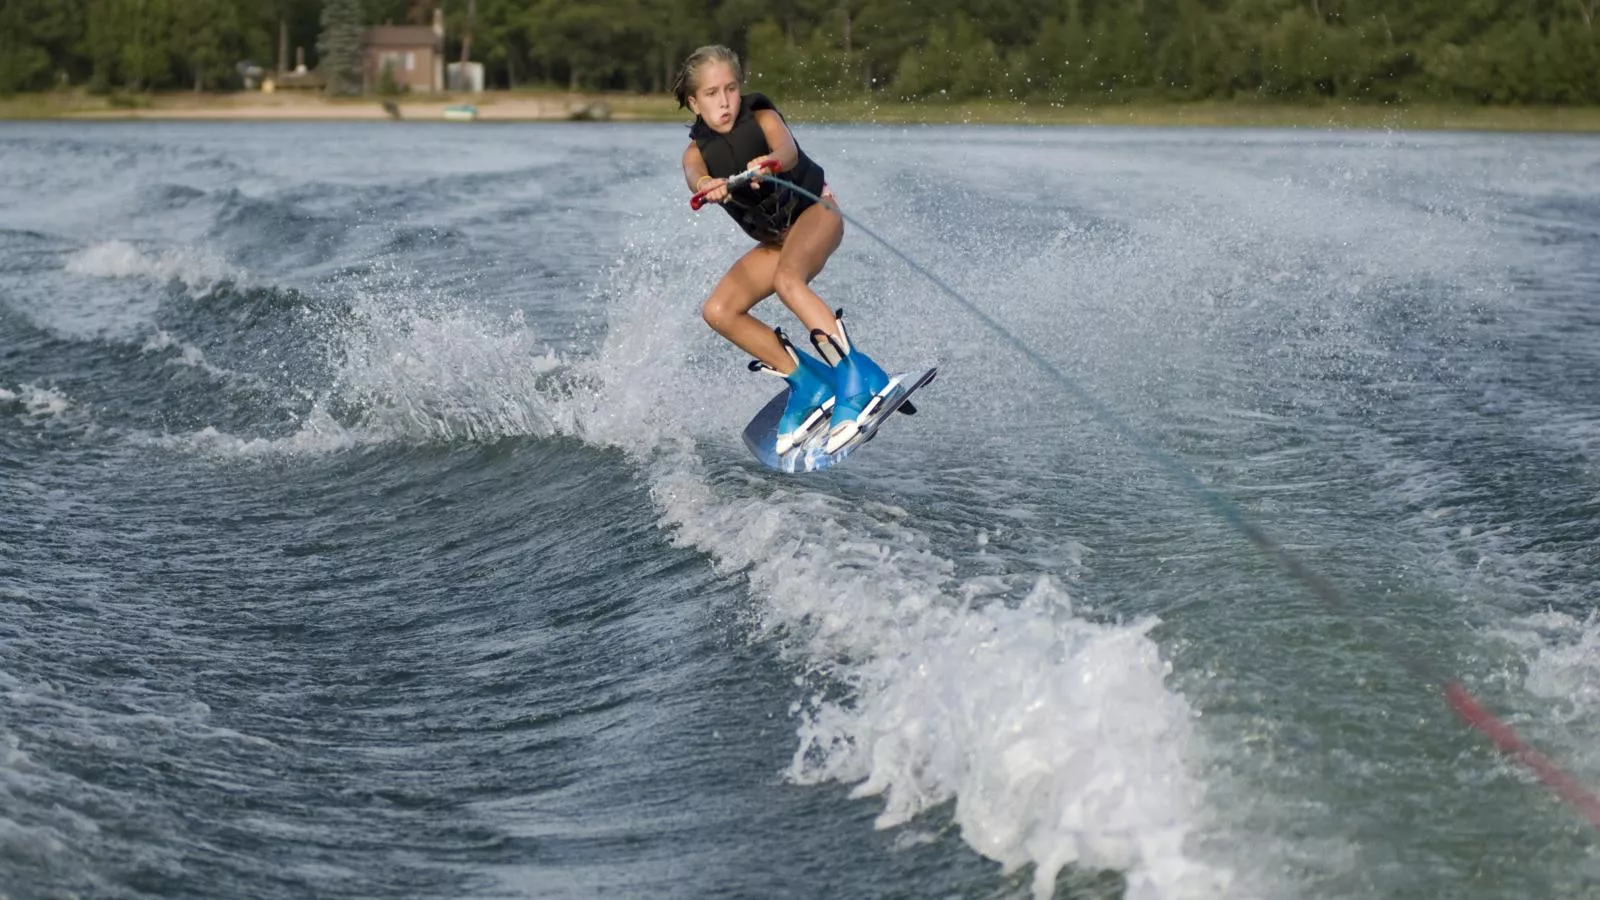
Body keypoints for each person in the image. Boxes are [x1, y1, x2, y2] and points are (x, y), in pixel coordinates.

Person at [675, 44, 891, 455]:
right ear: (693, 102)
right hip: (776, 241)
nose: (724, 101)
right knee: (718, 310)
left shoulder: (762, 117)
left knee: (787, 280)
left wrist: (770, 162)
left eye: (731, 88)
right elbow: (694, 176)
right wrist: (707, 186)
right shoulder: (696, 154)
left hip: (818, 214)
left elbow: (787, 150)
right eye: (711, 93)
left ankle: (857, 376)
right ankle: (808, 384)